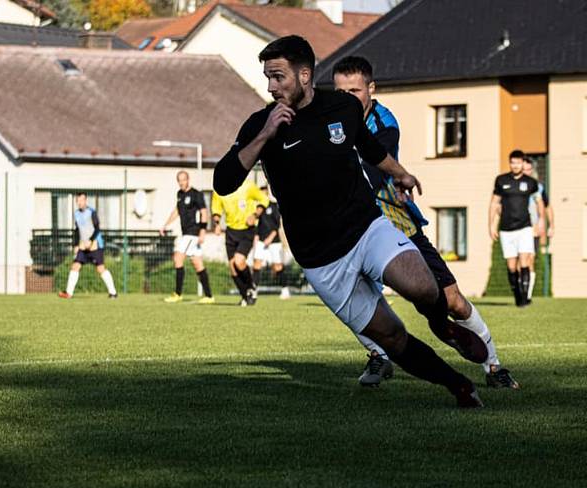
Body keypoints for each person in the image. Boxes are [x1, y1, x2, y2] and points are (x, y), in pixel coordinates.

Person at [214, 35, 484, 407]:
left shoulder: (342, 107)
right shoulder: (261, 124)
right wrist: (265, 135)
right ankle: (458, 386)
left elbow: (369, 149)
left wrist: (400, 173)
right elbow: (223, 182)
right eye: (268, 78)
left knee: (421, 285)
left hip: (365, 227)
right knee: (391, 337)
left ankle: (444, 327)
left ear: (305, 74)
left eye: (278, 77)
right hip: (322, 260)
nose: (271, 86)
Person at [333, 55, 518, 390]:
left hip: (395, 221)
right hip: (352, 225)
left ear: (371, 90)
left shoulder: (384, 122)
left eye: (355, 90)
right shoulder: (329, 122)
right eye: (340, 91)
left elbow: (373, 168)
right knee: (351, 298)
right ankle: (378, 355)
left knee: (453, 301)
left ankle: (493, 365)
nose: (347, 98)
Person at [489, 150, 542, 307]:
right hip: (506, 230)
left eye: (518, 162)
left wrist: (540, 223)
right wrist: (491, 225)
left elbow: (539, 202)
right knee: (512, 266)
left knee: (524, 261)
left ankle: (525, 298)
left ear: (522, 163)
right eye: (513, 162)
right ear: (510, 163)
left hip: (524, 228)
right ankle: (518, 295)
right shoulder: (501, 180)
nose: (516, 165)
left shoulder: (531, 183)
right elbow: (494, 203)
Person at [210, 178, 269, 306]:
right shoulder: (220, 189)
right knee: (233, 268)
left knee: (239, 261)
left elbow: (264, 199)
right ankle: (245, 297)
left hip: (247, 230)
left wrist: (255, 215)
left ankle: (251, 286)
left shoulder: (247, 186)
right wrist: (217, 223)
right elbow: (216, 208)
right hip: (231, 231)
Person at [159, 171, 215, 304]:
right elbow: (177, 211)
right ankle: (209, 296)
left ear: (188, 180)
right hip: (186, 233)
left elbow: (204, 212)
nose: (181, 183)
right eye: (179, 180)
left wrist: (202, 231)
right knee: (197, 264)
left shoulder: (197, 194)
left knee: (178, 258)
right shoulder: (180, 194)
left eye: (183, 180)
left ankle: (177, 294)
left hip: (193, 233)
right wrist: (165, 225)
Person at [58, 192, 118, 299]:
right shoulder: (76, 214)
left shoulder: (92, 212)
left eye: (81, 200)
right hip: (83, 246)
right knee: (75, 266)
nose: (80, 202)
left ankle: (113, 293)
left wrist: (90, 240)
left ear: (86, 200)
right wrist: (76, 244)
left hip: (95, 245)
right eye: (78, 200)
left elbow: (97, 228)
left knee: (100, 269)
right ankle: (68, 293)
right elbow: (77, 230)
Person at [252, 187, 290, 300]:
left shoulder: (273, 206)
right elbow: (258, 226)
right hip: (261, 241)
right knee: (256, 264)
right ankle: (254, 289)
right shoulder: (258, 209)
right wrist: (256, 238)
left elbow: (276, 226)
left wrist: (270, 238)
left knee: (277, 266)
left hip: (273, 242)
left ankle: (285, 290)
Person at [522, 156, 552, 301]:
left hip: (532, 228)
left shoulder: (538, 188)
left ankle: (527, 293)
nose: (526, 172)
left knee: (530, 259)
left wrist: (548, 225)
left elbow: (547, 207)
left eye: (528, 169)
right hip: (516, 228)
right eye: (524, 169)